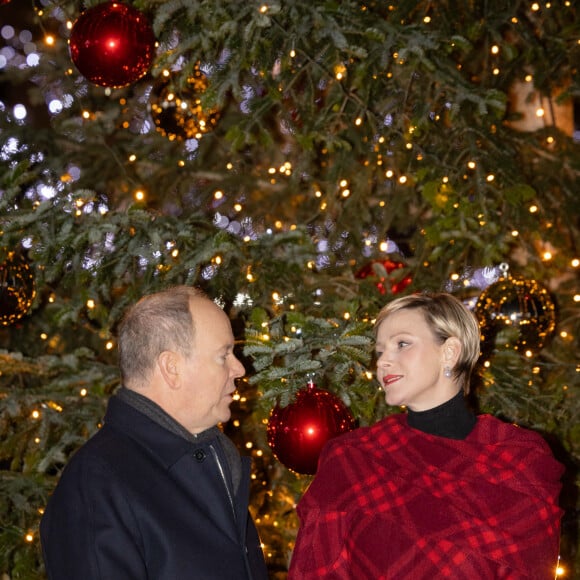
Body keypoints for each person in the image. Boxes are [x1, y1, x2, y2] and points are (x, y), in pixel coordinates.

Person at [289, 292, 564, 579]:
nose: (383, 362)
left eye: (402, 344)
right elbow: (314, 569)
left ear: (449, 352)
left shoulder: (521, 463)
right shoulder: (351, 459)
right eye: (380, 351)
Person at [40, 285, 268, 580]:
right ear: (171, 367)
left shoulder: (215, 458)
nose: (239, 369)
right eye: (223, 355)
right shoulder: (97, 486)